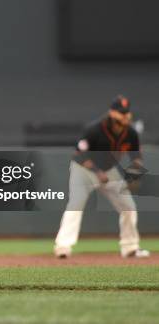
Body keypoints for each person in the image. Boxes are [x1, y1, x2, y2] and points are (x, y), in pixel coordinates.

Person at [54, 95, 150, 259]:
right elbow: (79, 155)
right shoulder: (95, 129)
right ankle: (63, 247)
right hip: (83, 171)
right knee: (75, 205)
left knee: (128, 207)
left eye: (127, 112)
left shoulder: (131, 133)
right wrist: (98, 172)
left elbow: (137, 157)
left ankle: (130, 248)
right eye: (121, 112)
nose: (125, 115)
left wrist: (134, 174)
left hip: (109, 170)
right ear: (112, 113)